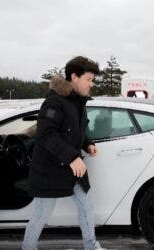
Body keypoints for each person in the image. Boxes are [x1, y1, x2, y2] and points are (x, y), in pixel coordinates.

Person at [22, 56, 104, 250]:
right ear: (74, 77)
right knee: (41, 215)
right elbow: (46, 134)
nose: (91, 84)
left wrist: (87, 144)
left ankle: (91, 247)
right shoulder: (54, 103)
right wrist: (72, 157)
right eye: (88, 79)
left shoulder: (78, 102)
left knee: (86, 207)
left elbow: (76, 131)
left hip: (71, 170)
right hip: (50, 171)